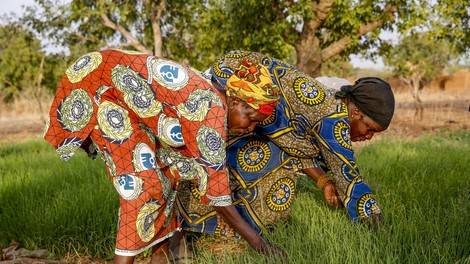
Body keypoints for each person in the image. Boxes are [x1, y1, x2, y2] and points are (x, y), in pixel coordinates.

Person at [43, 49, 286, 263]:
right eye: (251, 119)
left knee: (169, 172)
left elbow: (201, 173)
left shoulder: (214, 100)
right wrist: (261, 245)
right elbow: (216, 190)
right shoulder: (212, 110)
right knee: (141, 187)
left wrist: (220, 202)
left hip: (113, 86)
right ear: (235, 101)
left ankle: (161, 256)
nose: (249, 128)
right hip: (99, 85)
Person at [172, 51, 395, 255]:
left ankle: (195, 227)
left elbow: (293, 143)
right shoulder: (334, 121)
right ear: (356, 112)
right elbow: (350, 179)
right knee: (206, 158)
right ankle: (184, 232)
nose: (368, 137)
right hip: (233, 82)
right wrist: (380, 227)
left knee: (213, 159)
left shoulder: (328, 102)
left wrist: (323, 181)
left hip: (234, 76)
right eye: (370, 129)